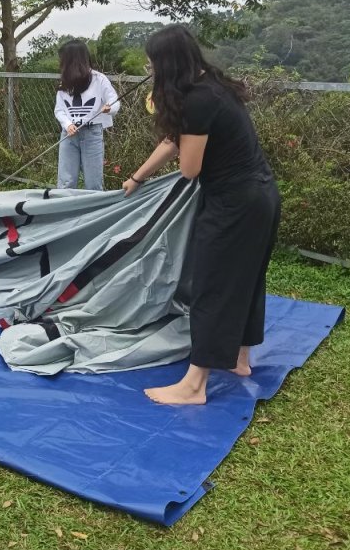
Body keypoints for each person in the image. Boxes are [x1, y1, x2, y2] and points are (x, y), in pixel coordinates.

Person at [122, 24, 280, 405]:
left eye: (151, 62)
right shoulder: (212, 87)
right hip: (261, 196)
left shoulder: (198, 100)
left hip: (234, 204)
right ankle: (240, 360)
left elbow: (190, 168)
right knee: (245, 279)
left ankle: (194, 386)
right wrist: (137, 177)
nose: (149, 68)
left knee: (211, 284)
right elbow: (175, 140)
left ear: (167, 63)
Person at [54, 39, 120, 190]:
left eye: (63, 59)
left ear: (72, 60)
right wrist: (67, 124)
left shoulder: (99, 79)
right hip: (68, 135)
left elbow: (115, 102)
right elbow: (59, 110)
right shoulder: (64, 83)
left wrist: (109, 108)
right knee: (66, 182)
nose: (61, 63)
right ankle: (64, 212)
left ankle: (95, 213)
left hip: (92, 134)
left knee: (93, 183)